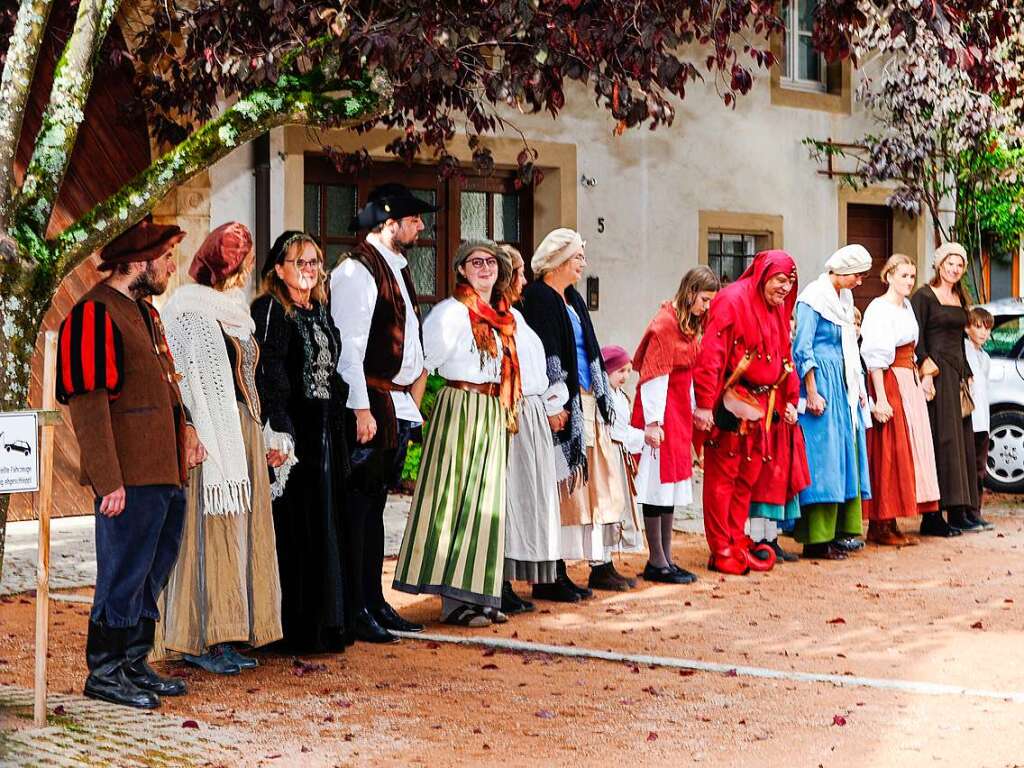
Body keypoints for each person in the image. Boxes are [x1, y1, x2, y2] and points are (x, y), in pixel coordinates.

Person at [56, 215, 205, 709]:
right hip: (129, 476)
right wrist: (108, 480)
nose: (170, 267)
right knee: (123, 571)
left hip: (164, 472)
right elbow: (88, 403)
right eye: (164, 258)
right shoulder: (93, 313)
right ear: (137, 262)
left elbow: (166, 386)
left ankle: (134, 662)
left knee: (152, 570)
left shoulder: (146, 313)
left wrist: (187, 431)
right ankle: (105, 671)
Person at [156, 223, 283, 674]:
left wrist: (267, 435)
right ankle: (197, 636)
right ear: (223, 266)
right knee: (207, 536)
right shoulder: (188, 310)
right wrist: (197, 430)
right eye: (242, 264)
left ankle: (229, 632)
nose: (247, 272)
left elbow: (251, 380)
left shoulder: (236, 314)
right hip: (212, 435)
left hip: (242, 432)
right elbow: (183, 381)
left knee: (238, 534)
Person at [393, 239, 520, 626]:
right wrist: (410, 418)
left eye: (491, 263)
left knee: (487, 504)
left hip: (492, 410)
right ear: (461, 270)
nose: (485, 268)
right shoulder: (449, 314)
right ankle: (453, 600)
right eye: (475, 262)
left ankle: (480, 593)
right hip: (460, 408)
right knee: (456, 498)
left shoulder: (501, 318)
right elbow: (421, 366)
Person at [330, 183, 432, 642]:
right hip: (371, 402)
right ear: (388, 223)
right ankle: (355, 606)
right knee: (358, 511)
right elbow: (349, 347)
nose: (421, 227)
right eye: (413, 220)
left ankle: (373, 599)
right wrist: (360, 408)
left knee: (374, 511)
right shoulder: (357, 271)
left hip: (392, 401)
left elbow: (406, 338)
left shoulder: (394, 267)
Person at [253, 231, 350, 652]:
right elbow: (269, 374)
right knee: (295, 529)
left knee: (324, 525)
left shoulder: (320, 310)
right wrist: (279, 432)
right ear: (278, 269)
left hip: (325, 428)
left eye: (314, 262)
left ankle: (325, 624)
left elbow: (331, 371)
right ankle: (291, 629)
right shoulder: (272, 310)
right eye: (299, 262)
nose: (309, 270)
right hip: (294, 431)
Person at [519, 228, 631, 597]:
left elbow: (590, 351)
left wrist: (602, 396)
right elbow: (548, 353)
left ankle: (599, 563)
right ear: (558, 260)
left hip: (587, 400)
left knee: (594, 485)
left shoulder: (573, 299)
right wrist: (557, 402)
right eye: (578, 256)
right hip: (563, 404)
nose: (583, 263)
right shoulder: (539, 296)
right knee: (566, 488)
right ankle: (553, 573)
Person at [693, 250, 800, 575]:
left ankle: (736, 538)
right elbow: (712, 355)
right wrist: (704, 403)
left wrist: (790, 396)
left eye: (790, 281)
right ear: (765, 274)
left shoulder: (778, 308)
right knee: (723, 475)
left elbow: (784, 353)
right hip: (731, 403)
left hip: (762, 407)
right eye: (780, 280)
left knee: (747, 474)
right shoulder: (732, 301)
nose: (785, 288)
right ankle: (721, 546)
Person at [630, 266, 720, 583]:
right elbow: (654, 376)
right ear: (691, 291)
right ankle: (656, 560)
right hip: (661, 411)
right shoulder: (665, 325)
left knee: (669, 487)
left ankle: (666, 557)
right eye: (705, 299)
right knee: (657, 485)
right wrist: (653, 423)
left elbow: (690, 373)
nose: (706, 307)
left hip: (678, 410)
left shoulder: (687, 326)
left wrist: (695, 409)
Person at [790, 245, 874, 560]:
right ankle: (816, 538)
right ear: (840, 270)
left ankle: (839, 532)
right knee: (823, 459)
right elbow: (803, 346)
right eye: (857, 275)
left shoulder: (843, 299)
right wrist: (810, 391)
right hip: (822, 382)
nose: (859, 282)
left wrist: (858, 384)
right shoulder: (813, 299)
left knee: (844, 455)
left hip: (842, 383)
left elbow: (850, 345)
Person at [501, 245, 567, 611]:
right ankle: (501, 580)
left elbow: (536, 364)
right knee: (511, 497)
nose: (525, 280)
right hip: (516, 413)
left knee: (528, 498)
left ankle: (514, 577)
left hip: (532, 410)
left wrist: (551, 402)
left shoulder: (516, 316)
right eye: (520, 272)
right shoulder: (501, 317)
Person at [860, 254, 939, 543]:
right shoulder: (879, 309)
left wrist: (922, 378)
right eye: (904, 275)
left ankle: (891, 521)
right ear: (889, 275)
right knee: (888, 451)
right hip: (890, 380)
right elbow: (875, 358)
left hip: (909, 381)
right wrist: (880, 398)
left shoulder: (906, 307)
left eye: (912, 276)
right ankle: (880, 523)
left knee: (906, 452)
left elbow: (912, 348)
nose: (909, 281)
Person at [911, 242, 981, 535]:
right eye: (949, 263)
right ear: (939, 265)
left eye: (960, 265)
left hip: (955, 375)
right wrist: (925, 370)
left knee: (961, 443)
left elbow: (960, 342)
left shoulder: (959, 296)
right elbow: (916, 336)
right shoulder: (924, 296)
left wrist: (967, 374)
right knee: (940, 442)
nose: (954, 269)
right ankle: (932, 517)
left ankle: (959, 510)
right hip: (935, 376)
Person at [600, 345, 645, 585]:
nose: (625, 376)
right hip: (609, 456)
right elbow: (616, 430)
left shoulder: (619, 395)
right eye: (620, 371)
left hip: (619, 455)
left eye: (628, 371)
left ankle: (608, 564)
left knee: (617, 511)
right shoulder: (605, 395)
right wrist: (642, 437)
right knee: (607, 509)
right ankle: (600, 565)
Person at [964, 306, 996, 530]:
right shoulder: (964, 351)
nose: (983, 333)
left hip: (983, 421)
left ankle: (976, 511)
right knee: (968, 467)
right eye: (978, 327)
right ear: (967, 328)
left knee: (979, 468)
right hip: (969, 419)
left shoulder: (984, 357)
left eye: (986, 328)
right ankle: (965, 512)